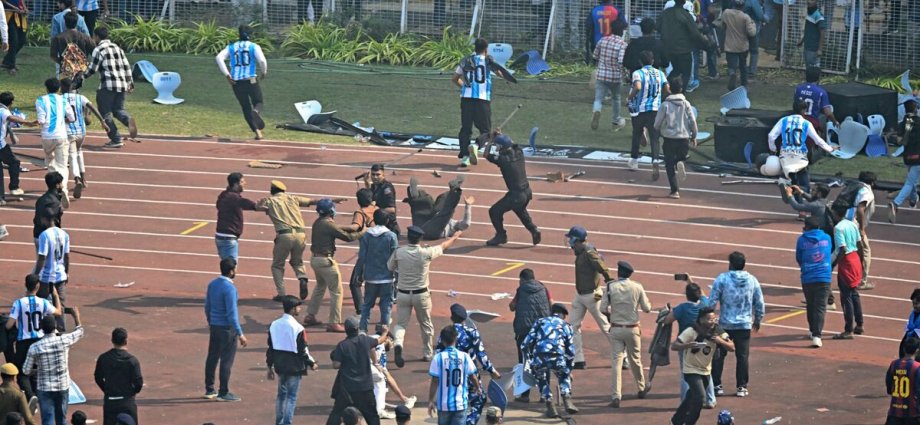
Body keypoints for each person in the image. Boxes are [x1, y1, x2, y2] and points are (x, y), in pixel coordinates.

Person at [388, 225, 462, 367]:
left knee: (401, 324)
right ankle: (428, 353)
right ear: (420, 238)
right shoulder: (426, 252)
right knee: (426, 324)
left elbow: (390, 267)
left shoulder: (399, 252)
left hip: (403, 293)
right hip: (421, 294)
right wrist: (455, 236)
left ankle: (398, 344)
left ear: (408, 237)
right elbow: (443, 246)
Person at [704, 251, 764, 398]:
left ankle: (717, 385)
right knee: (742, 356)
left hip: (725, 324)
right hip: (744, 324)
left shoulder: (722, 279)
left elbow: (712, 301)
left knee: (719, 355)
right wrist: (758, 319)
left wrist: (707, 318)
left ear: (730, 264)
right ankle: (741, 387)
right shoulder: (752, 280)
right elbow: (759, 302)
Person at [434, 304, 501, 425]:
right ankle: (469, 422)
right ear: (464, 318)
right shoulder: (471, 332)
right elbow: (481, 354)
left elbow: (438, 353)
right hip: (470, 375)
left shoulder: (446, 333)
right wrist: (491, 370)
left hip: (448, 376)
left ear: (451, 317)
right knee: (479, 399)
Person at [451, 38, 512, 168]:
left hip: (466, 99)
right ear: (486, 49)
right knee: (485, 130)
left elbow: (455, 78)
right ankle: (476, 145)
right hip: (482, 99)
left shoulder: (465, 60)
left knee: (465, 128)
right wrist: (507, 78)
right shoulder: (489, 61)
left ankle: (465, 157)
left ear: (475, 48)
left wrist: (464, 87)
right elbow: (499, 72)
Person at [305, 198, 363, 333]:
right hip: (326, 261)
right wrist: (364, 231)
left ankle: (311, 315)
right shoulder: (329, 225)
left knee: (320, 286)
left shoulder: (318, 222)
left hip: (315, 260)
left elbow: (334, 228)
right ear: (331, 210)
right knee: (337, 291)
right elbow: (348, 237)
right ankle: (334, 322)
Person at [257, 180, 321, 302]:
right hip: (301, 234)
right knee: (297, 261)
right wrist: (329, 201)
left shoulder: (269, 201)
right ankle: (302, 277)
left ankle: (281, 293)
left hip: (284, 235)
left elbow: (257, 208)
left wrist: (259, 206)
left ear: (272, 191)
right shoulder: (293, 198)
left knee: (277, 265)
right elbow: (312, 201)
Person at [669, 308, 735, 425]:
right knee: (700, 398)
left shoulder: (718, 331)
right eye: (709, 319)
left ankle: (676, 421)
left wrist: (721, 341)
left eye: (714, 319)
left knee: (690, 398)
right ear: (701, 320)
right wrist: (687, 345)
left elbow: (732, 347)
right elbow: (674, 346)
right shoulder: (691, 331)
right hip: (691, 370)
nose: (713, 321)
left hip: (705, 371)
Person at [600, 261, 651, 407]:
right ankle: (641, 388)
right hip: (632, 328)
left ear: (618, 272)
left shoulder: (610, 286)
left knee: (616, 361)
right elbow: (647, 308)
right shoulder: (637, 287)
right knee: (635, 359)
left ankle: (616, 395)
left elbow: (603, 308)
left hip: (616, 328)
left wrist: (612, 316)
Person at [22, 309, 83, 425]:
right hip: (62, 386)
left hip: (44, 387)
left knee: (47, 420)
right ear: (55, 326)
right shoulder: (64, 340)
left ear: (41, 328)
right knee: (62, 419)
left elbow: (26, 370)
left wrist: (38, 370)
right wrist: (76, 316)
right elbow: (80, 331)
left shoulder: (35, 347)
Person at [767, 99, 837, 199]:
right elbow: (818, 140)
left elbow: (771, 136)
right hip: (799, 156)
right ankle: (802, 207)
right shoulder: (806, 123)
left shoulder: (783, 120)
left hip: (785, 155)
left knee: (792, 178)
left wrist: (773, 149)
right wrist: (830, 149)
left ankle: (787, 185)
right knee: (805, 184)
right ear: (804, 110)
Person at [6, 275, 62, 401]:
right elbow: (58, 312)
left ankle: (30, 396)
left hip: (23, 342)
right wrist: (56, 295)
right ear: (38, 286)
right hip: (39, 341)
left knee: (22, 372)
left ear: (25, 285)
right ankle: (39, 395)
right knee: (38, 369)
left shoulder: (18, 303)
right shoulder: (43, 302)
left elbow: (9, 325)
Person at [563, 225, 611, 370]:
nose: (569, 242)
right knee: (572, 326)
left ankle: (624, 357)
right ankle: (578, 359)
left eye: (571, 238)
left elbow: (603, 269)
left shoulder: (589, 253)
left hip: (592, 296)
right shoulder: (580, 252)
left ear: (577, 240)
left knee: (605, 326)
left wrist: (612, 285)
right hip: (580, 295)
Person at [663, 281, 716, 409]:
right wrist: (689, 280)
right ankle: (711, 399)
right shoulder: (704, 304)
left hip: (686, 343)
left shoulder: (682, 308)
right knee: (705, 370)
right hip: (704, 342)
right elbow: (702, 293)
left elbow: (667, 320)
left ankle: (685, 402)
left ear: (687, 295)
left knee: (685, 373)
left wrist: (667, 312)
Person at [82, 26, 137, 147]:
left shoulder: (98, 50)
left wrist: (82, 77)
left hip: (107, 85)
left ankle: (116, 139)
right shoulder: (118, 48)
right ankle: (129, 121)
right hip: (122, 84)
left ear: (96, 36)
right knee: (118, 110)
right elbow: (126, 66)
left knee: (105, 112)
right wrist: (130, 82)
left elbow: (93, 69)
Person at [327, 317, 388, 425]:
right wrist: (385, 332)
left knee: (336, 414)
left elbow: (336, 365)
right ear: (358, 329)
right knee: (372, 416)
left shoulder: (342, 345)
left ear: (346, 330)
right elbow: (380, 340)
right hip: (365, 388)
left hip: (347, 389)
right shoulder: (365, 340)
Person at [267, 296, 317, 425]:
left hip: (279, 364)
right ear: (293, 308)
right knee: (291, 397)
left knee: (281, 395)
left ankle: (279, 421)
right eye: (298, 306)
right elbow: (303, 350)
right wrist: (311, 363)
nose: (300, 308)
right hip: (294, 365)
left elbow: (271, 347)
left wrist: (269, 366)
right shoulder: (298, 328)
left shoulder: (274, 324)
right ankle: (287, 422)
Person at [203, 258, 248, 402]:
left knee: (212, 357)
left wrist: (211, 322)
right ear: (231, 271)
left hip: (215, 326)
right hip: (227, 329)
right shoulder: (230, 289)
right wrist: (240, 333)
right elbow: (232, 314)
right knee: (226, 361)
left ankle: (210, 389)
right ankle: (223, 392)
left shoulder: (212, 284)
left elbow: (207, 306)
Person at [484, 133, 541, 246]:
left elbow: (486, 154)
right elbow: (512, 143)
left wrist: (490, 140)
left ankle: (501, 235)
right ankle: (533, 230)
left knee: (494, 211)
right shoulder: (519, 152)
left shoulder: (504, 160)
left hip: (516, 195)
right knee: (519, 210)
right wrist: (499, 135)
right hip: (527, 192)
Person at [521, 303, 577, 417]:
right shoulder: (566, 326)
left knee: (542, 379)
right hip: (558, 356)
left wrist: (529, 359)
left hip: (539, 357)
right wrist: (569, 369)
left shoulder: (540, 322)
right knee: (563, 375)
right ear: (563, 315)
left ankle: (550, 405)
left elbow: (525, 344)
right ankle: (567, 400)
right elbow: (570, 351)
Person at [216, 25, 268, 140]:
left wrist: (227, 75)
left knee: (245, 107)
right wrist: (264, 72)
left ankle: (258, 133)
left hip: (236, 82)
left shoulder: (231, 47)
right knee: (258, 102)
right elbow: (262, 61)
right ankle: (256, 111)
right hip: (251, 80)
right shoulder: (254, 46)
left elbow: (219, 58)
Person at [508, 268, 552, 402]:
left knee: (524, 362)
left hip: (524, 331)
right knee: (543, 362)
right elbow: (551, 304)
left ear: (522, 279)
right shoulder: (544, 288)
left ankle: (525, 395)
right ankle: (545, 394)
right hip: (542, 330)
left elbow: (512, 306)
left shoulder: (521, 290)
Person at [60, 77, 107, 200]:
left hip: (68, 132)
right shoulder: (81, 98)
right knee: (79, 152)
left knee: (72, 156)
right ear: (72, 87)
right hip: (81, 131)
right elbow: (92, 107)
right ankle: (83, 177)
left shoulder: (60, 99)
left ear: (62, 87)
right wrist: (102, 121)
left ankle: (77, 179)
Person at [626, 51, 669, 176]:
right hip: (655, 109)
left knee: (637, 134)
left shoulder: (637, 73)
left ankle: (634, 160)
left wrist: (629, 98)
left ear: (640, 62)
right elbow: (667, 88)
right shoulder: (660, 73)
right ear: (653, 61)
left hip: (641, 109)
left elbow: (638, 86)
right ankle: (655, 159)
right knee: (655, 137)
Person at [654, 77, 698, 199]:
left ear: (670, 89)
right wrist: (694, 136)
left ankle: (675, 191)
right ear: (681, 89)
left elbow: (657, 123)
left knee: (669, 165)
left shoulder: (665, 105)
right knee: (680, 158)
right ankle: (681, 161)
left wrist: (657, 129)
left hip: (669, 138)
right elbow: (692, 121)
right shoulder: (686, 104)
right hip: (683, 137)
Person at [427, 325, 480, 425]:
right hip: (460, 404)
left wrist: (431, 400)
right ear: (456, 338)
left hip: (443, 405)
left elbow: (435, 380)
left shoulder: (438, 358)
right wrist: (478, 388)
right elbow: (473, 376)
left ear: (442, 340)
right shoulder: (464, 357)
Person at [36, 78, 76, 208]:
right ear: (59, 88)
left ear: (46, 88)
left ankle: (58, 188)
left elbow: (41, 120)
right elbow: (72, 118)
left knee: (51, 163)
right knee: (63, 165)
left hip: (47, 135)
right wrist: (62, 119)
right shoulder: (64, 100)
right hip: (61, 136)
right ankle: (63, 188)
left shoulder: (40, 100)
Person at [831, 200, 865, 340]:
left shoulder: (838, 228)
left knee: (846, 298)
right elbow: (859, 244)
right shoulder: (852, 224)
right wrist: (861, 262)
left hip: (846, 263)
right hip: (856, 259)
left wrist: (833, 264)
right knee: (854, 293)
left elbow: (842, 249)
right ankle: (860, 324)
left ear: (835, 213)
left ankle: (848, 329)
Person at [358, 209, 398, 332]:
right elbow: (395, 257)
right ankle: (383, 333)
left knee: (366, 305)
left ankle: (363, 330)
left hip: (370, 277)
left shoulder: (366, 235)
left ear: (374, 220)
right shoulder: (391, 236)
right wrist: (397, 274)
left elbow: (362, 257)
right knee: (386, 306)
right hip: (387, 277)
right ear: (387, 221)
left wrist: (359, 273)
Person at [796, 217, 833, 348]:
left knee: (811, 305)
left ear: (807, 227)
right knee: (820, 307)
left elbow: (799, 257)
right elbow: (830, 251)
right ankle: (817, 335)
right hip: (824, 277)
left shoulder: (801, 240)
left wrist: (806, 267)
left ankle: (813, 331)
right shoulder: (827, 238)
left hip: (808, 277)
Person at [93, 328, 142, 425]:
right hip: (127, 401)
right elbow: (138, 383)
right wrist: (132, 392)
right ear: (126, 341)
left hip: (110, 401)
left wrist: (106, 389)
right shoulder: (132, 360)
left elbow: (98, 377)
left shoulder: (104, 358)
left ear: (112, 340)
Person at [33, 206, 70, 331]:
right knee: (60, 304)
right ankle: (61, 330)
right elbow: (67, 257)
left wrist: (36, 274)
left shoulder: (44, 235)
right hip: (60, 275)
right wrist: (66, 272)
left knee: (42, 303)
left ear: (44, 219)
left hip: (47, 276)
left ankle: (41, 329)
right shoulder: (64, 234)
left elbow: (42, 258)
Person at [658, 0, 709, 90]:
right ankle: (680, 93)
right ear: (684, 2)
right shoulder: (686, 14)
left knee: (676, 69)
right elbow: (695, 33)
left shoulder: (665, 13)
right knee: (686, 73)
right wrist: (705, 43)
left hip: (668, 48)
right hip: (683, 49)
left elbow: (658, 27)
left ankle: (666, 87)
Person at [404, 176, 472, 241]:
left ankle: (455, 190)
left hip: (432, 232)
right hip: (424, 223)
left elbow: (466, 224)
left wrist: (468, 205)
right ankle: (417, 196)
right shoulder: (452, 222)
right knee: (431, 200)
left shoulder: (454, 226)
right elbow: (466, 223)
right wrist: (468, 205)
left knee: (446, 212)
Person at [369, 325, 416, 419]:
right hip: (368, 368)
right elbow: (388, 376)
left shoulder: (370, 337)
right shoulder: (381, 345)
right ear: (387, 338)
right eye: (391, 342)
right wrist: (404, 398)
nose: (391, 345)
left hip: (353, 366)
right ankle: (380, 410)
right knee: (381, 380)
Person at [215, 172, 262, 262]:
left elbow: (219, 206)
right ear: (236, 184)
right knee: (230, 268)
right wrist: (258, 206)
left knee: (226, 266)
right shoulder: (232, 197)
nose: (245, 183)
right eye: (242, 181)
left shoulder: (224, 195)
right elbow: (245, 203)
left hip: (221, 237)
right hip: (228, 239)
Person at [0, 91, 36, 206]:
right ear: (11, 103)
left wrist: (11, 134)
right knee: (14, 162)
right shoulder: (4, 111)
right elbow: (11, 118)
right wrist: (28, 122)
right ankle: (14, 187)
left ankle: (1, 198)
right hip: (0, 145)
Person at [591, 18, 628, 130]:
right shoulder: (622, 44)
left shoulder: (603, 40)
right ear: (621, 31)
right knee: (616, 98)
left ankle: (596, 110)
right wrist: (625, 74)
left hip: (601, 75)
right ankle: (616, 120)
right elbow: (621, 62)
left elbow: (595, 56)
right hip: (615, 77)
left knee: (598, 98)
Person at [888, 99, 920, 224]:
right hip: (918, 156)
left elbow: (900, 141)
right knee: (910, 182)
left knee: (912, 180)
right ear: (916, 109)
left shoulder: (903, 123)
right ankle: (896, 203)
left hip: (907, 156)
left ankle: (913, 200)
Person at [844, 171, 877, 290]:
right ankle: (862, 281)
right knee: (865, 251)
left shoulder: (853, 187)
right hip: (854, 225)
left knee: (842, 252)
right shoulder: (867, 192)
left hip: (843, 222)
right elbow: (860, 209)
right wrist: (862, 229)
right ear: (872, 183)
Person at [347, 187, 377, 314]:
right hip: (381, 252)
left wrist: (336, 227)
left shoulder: (360, 213)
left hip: (367, 254)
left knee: (355, 283)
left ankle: (361, 310)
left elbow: (355, 227)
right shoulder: (377, 210)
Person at [718, 0, 757, 91]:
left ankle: (732, 73)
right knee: (743, 66)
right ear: (743, 6)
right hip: (742, 46)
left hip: (730, 46)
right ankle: (744, 85)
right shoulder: (745, 17)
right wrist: (753, 24)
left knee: (731, 65)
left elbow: (722, 26)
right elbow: (752, 33)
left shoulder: (726, 13)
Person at [885, 336, 920, 425]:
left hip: (894, 411)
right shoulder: (917, 367)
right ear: (917, 350)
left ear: (904, 349)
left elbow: (889, 385)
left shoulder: (894, 364)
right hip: (912, 413)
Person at [793, 67, 839, 133]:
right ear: (818, 78)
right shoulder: (821, 92)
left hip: (797, 121)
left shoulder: (798, 89)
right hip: (811, 123)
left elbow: (795, 104)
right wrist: (835, 121)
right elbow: (827, 112)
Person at [50, 13, 93, 80]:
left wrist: (62, 62)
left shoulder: (58, 38)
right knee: (76, 89)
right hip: (81, 70)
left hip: (65, 70)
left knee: (65, 89)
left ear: (65, 22)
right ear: (76, 23)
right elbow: (95, 52)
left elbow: (53, 56)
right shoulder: (85, 37)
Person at [363, 164, 400, 236]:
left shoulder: (387, 188)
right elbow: (371, 197)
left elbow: (391, 209)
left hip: (389, 228)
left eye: (378, 175)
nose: (375, 177)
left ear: (383, 175)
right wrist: (366, 183)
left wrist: (374, 210)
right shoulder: (374, 186)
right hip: (378, 227)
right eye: (373, 174)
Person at [32, 172, 65, 243]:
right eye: (61, 183)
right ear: (57, 185)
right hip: (48, 238)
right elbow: (50, 220)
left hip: (37, 234)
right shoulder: (54, 202)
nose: (63, 186)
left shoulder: (41, 199)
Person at [797, 0, 827, 68]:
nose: (808, 1)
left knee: (813, 69)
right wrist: (802, 40)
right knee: (808, 67)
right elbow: (809, 30)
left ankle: (812, 79)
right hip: (807, 46)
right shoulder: (809, 13)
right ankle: (808, 79)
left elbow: (822, 32)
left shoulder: (818, 16)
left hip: (813, 49)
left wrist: (820, 49)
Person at [1, 0, 24, 76]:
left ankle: (7, 61)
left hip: (19, 14)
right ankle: (11, 66)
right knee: (14, 41)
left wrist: (24, 8)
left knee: (22, 39)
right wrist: (14, 8)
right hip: (8, 14)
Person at [901, 289, 920, 358]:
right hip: (908, 353)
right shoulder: (913, 315)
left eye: (916, 304)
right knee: (901, 368)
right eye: (913, 303)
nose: (914, 306)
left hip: (917, 356)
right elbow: (907, 331)